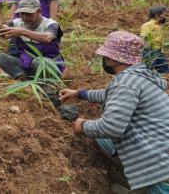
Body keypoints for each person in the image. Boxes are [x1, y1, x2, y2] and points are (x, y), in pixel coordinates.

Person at [60, 31, 169, 193]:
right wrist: (79, 93)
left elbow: (111, 128)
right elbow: (110, 95)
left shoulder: (125, 82)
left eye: (105, 56)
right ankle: (136, 184)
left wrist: (82, 125)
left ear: (111, 59)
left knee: (101, 134)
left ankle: (143, 185)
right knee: (104, 142)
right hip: (161, 150)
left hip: (157, 165)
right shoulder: (141, 77)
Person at [0, 0, 65, 102]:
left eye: (28, 14)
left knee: (40, 62)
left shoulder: (51, 24)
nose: (24, 17)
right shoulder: (17, 23)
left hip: (49, 65)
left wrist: (22, 32)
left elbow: (47, 38)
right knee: (0, 58)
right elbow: (2, 32)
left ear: (39, 11)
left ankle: (46, 85)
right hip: (27, 64)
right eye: (22, 14)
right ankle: (27, 82)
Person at [141, 6, 169, 73]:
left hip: (159, 51)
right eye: (164, 15)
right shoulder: (147, 25)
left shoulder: (159, 26)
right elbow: (144, 38)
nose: (166, 17)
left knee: (164, 70)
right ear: (157, 15)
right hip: (150, 51)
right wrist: (148, 52)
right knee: (148, 71)